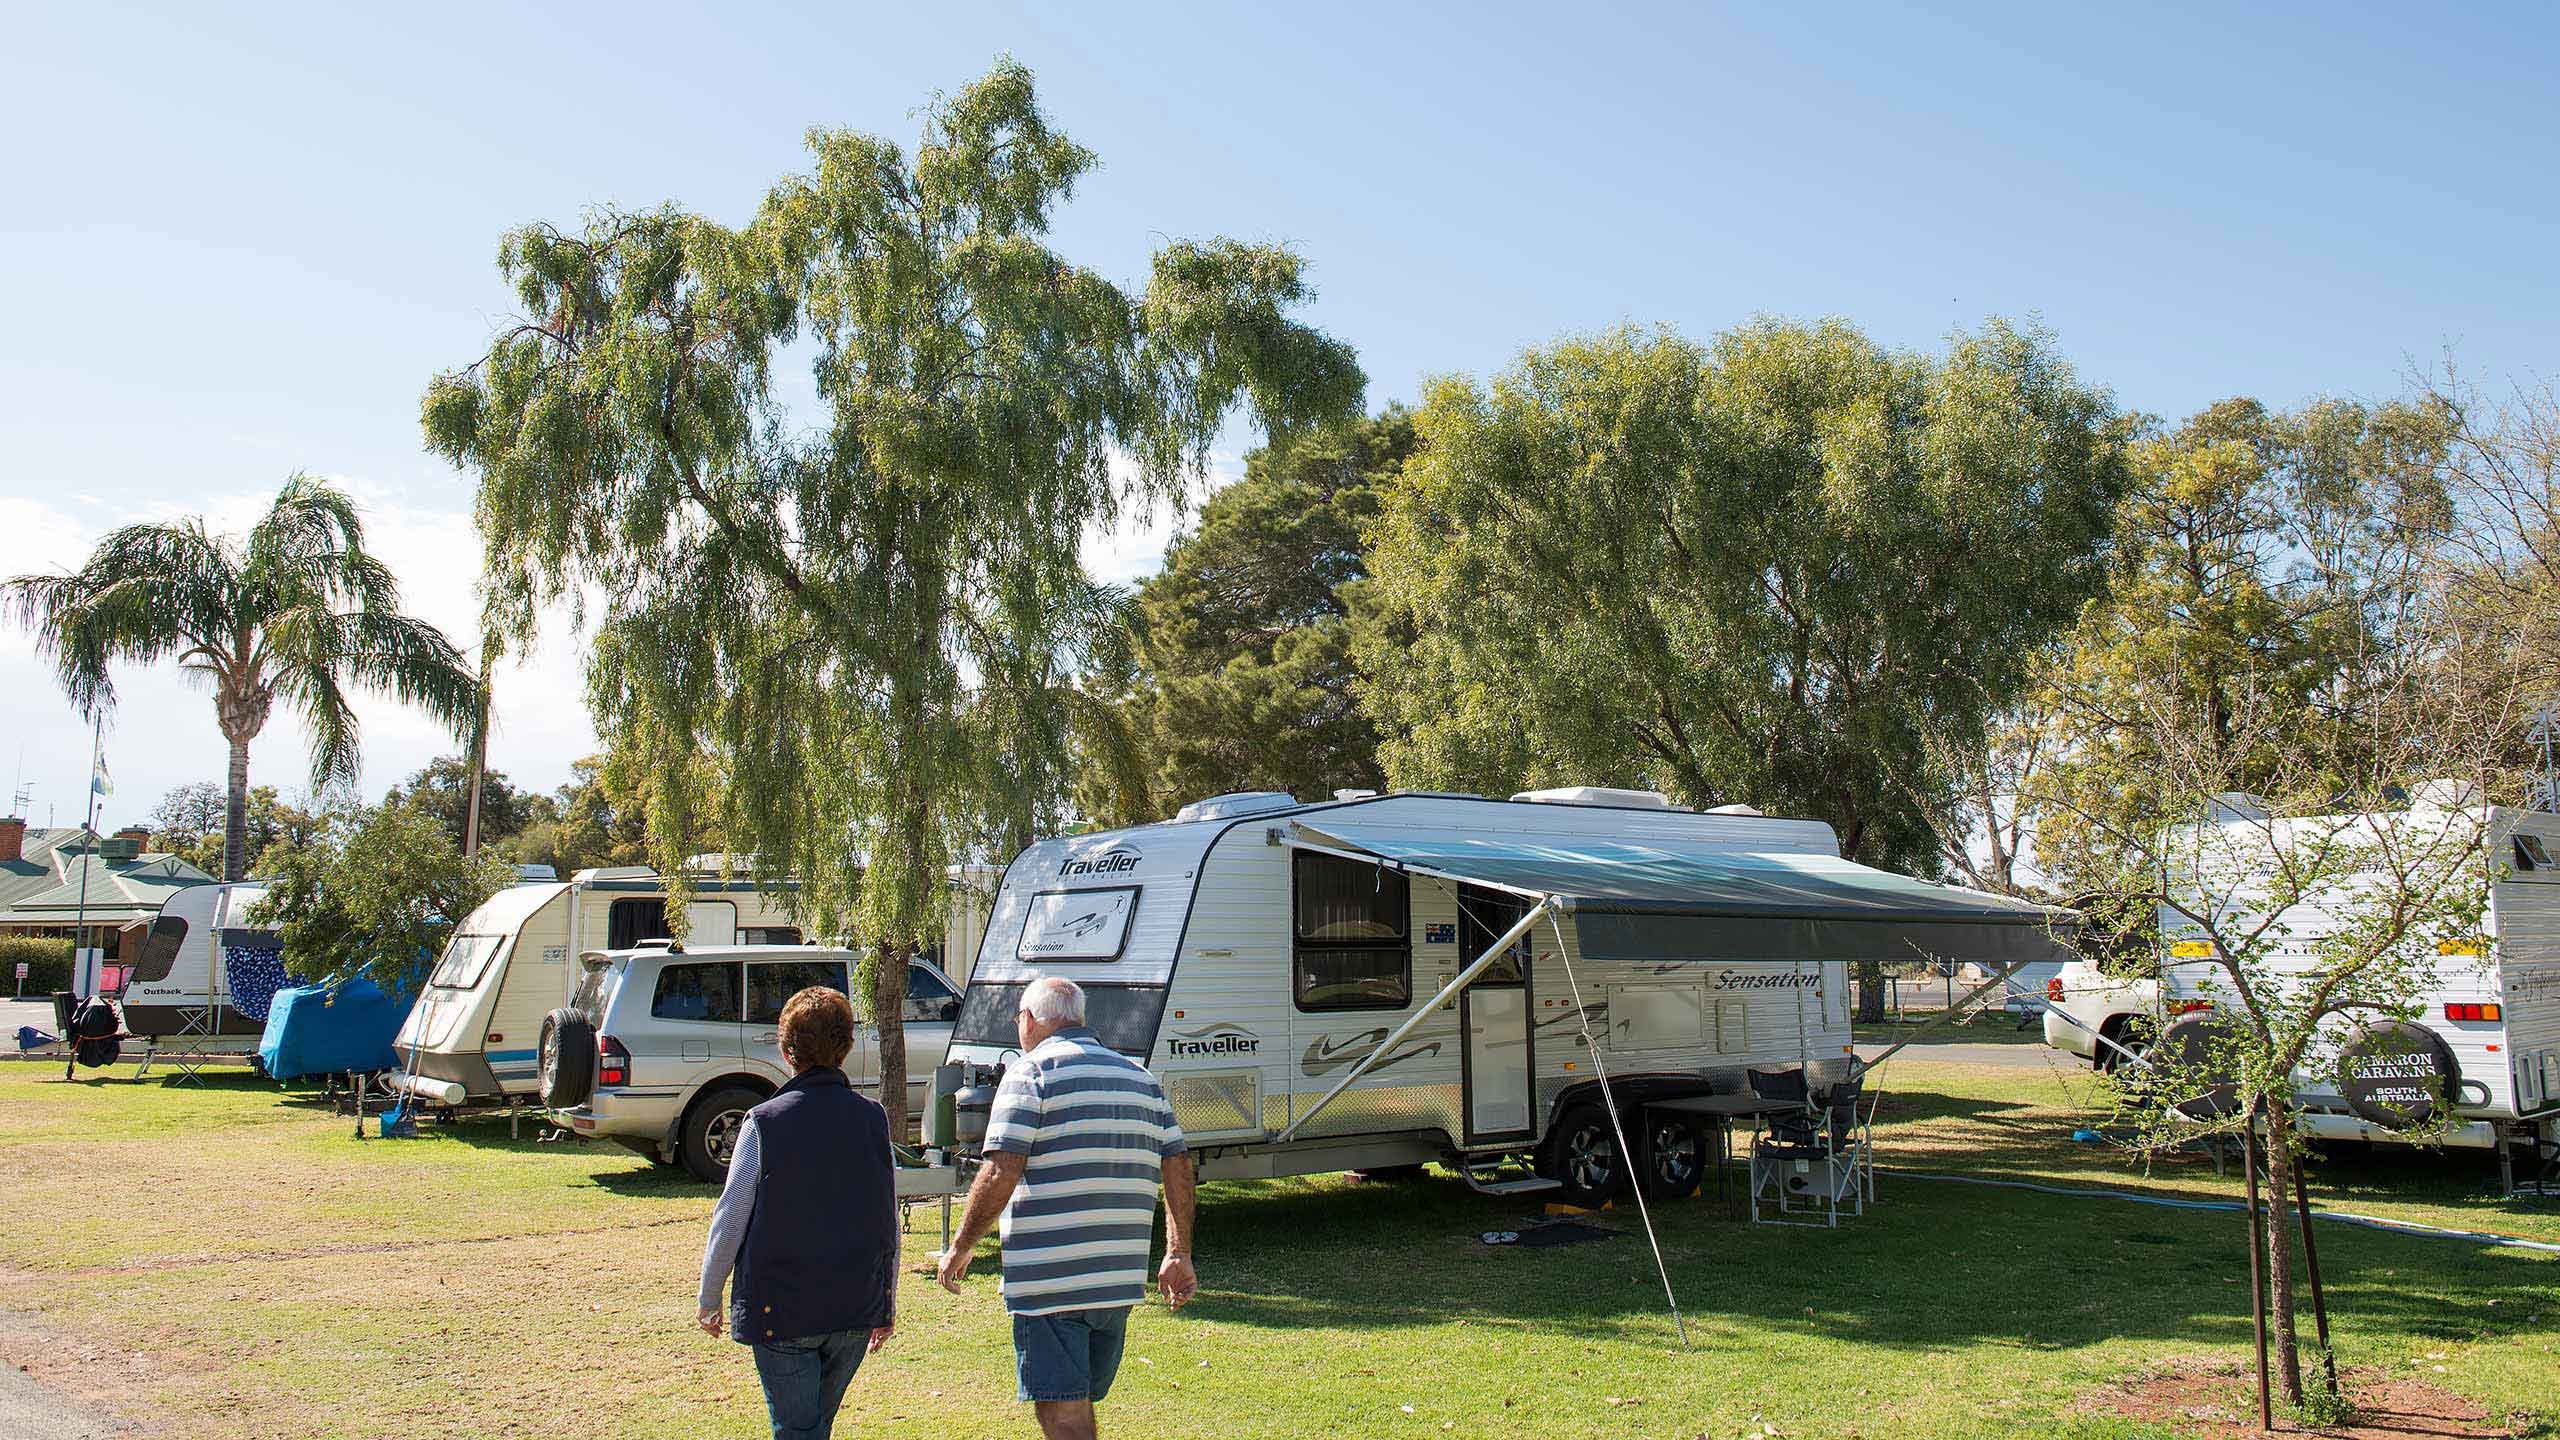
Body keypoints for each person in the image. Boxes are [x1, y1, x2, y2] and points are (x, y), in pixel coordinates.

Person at [937, 975, 1195, 1440]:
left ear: (1031, 1020)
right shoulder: (1141, 1078)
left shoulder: (1030, 1073)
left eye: (1019, 1017)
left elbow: (1000, 1170)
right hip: (1117, 1279)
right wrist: (1178, 1251)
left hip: (1051, 1281)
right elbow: (1177, 1162)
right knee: (1078, 1403)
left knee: (1062, 1412)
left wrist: (961, 1245)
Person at [698, 986, 898, 1440]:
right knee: (813, 1427)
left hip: (782, 1305)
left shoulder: (763, 1121)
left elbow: (731, 1216)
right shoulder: (873, 1118)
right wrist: (885, 1299)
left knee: (798, 1429)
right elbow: (886, 1216)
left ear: (787, 1051)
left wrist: (710, 1295)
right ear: (845, 1046)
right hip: (853, 1302)